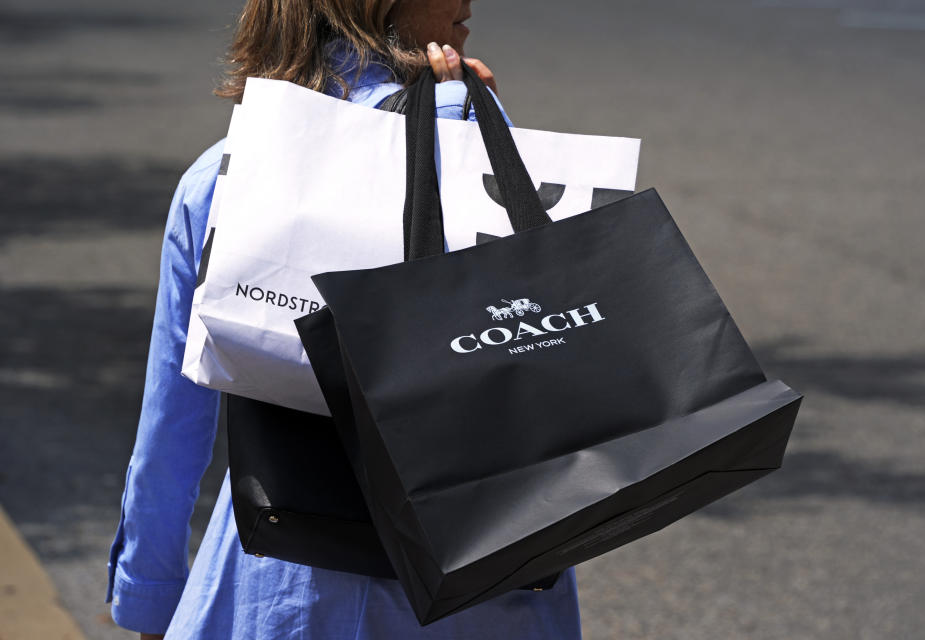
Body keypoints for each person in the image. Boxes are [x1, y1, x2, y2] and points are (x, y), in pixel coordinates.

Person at [105, 1, 583, 638]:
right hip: (486, 578)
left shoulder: (224, 174)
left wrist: (152, 600)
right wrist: (480, 133)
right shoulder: (476, 158)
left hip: (281, 579)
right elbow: (539, 353)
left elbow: (173, 424)